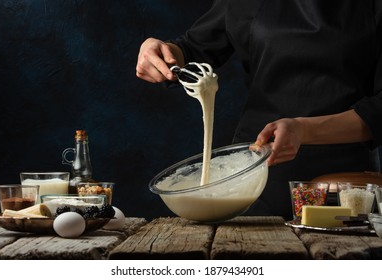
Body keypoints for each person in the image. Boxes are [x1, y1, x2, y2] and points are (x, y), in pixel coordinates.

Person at [136, 0, 382, 220]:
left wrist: (303, 130)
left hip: (346, 185)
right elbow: (191, 49)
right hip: (255, 178)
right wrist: (160, 52)